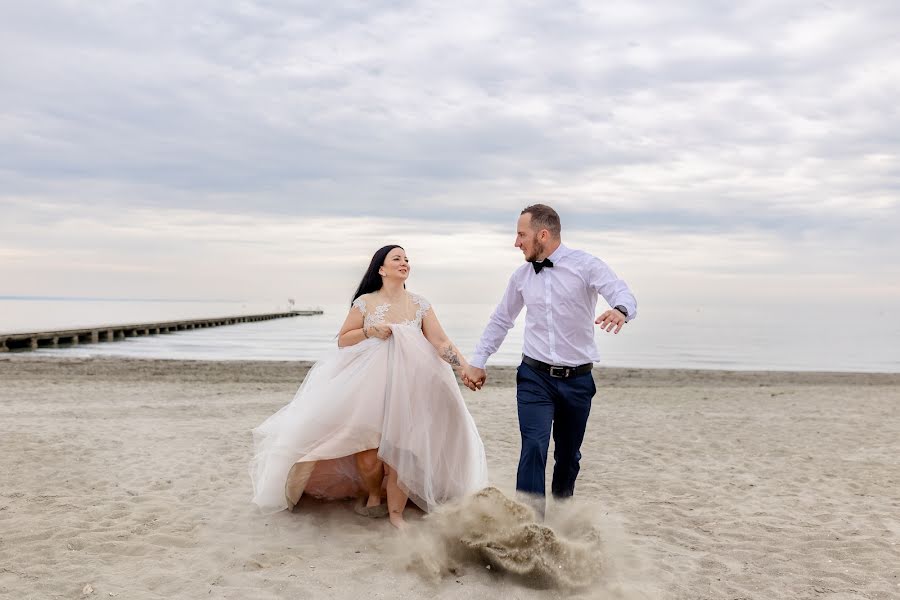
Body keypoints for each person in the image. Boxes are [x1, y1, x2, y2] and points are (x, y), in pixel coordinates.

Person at [250, 245, 488, 529]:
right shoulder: (365, 302)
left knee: (401, 448)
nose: (404, 263)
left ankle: (396, 514)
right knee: (366, 453)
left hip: (410, 386)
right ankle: (374, 493)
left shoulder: (420, 304)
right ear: (381, 269)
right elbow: (343, 339)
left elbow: (441, 342)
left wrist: (464, 367)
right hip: (368, 387)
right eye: (396, 259)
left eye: (407, 259)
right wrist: (370, 331)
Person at [461, 204, 637, 514]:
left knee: (568, 457)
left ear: (543, 234)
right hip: (534, 377)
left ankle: (562, 512)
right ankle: (528, 523)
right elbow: (501, 319)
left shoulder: (586, 265)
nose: (516, 242)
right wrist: (479, 360)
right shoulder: (520, 277)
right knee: (533, 447)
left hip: (578, 380)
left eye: (521, 235)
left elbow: (622, 292)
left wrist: (620, 310)